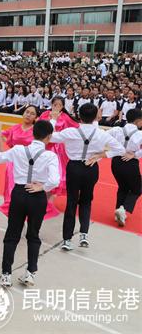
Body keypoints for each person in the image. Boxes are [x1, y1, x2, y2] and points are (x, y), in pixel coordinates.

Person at [0, 121, 60, 288]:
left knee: (12, 234)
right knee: (33, 234)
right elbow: (55, 180)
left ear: (33, 133)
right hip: (37, 196)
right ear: (49, 137)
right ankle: (30, 272)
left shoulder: (18, 150)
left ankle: (6, 274)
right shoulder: (50, 155)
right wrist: (42, 187)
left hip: (19, 193)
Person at [50, 103, 125, 251]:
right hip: (91, 168)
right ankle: (84, 234)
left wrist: (53, 119)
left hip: (74, 168)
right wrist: (100, 155)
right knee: (86, 201)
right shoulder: (101, 133)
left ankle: (67, 239)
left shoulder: (71, 131)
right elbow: (121, 149)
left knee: (71, 202)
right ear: (96, 116)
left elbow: (51, 137)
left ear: (79, 116)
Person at [39, 97, 79, 216]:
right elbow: (40, 129)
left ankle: (49, 203)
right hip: (44, 147)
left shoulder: (65, 117)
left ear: (63, 106)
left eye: (59, 105)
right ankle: (43, 200)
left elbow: (77, 127)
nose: (56, 107)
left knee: (55, 175)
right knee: (43, 174)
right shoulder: (45, 114)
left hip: (58, 150)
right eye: (54, 104)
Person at [0, 106, 36, 217]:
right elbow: (2, 136)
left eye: (32, 113)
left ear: (36, 117)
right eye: (27, 112)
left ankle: (24, 216)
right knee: (11, 191)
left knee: (25, 192)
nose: (28, 115)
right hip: (13, 165)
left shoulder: (36, 131)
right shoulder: (15, 128)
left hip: (28, 165)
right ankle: (14, 216)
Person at [107, 108, 142, 227]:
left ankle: (119, 211)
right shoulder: (139, 133)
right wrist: (135, 154)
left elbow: (103, 137)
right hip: (130, 163)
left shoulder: (117, 129)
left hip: (116, 162)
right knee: (137, 189)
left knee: (122, 187)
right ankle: (123, 209)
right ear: (138, 121)